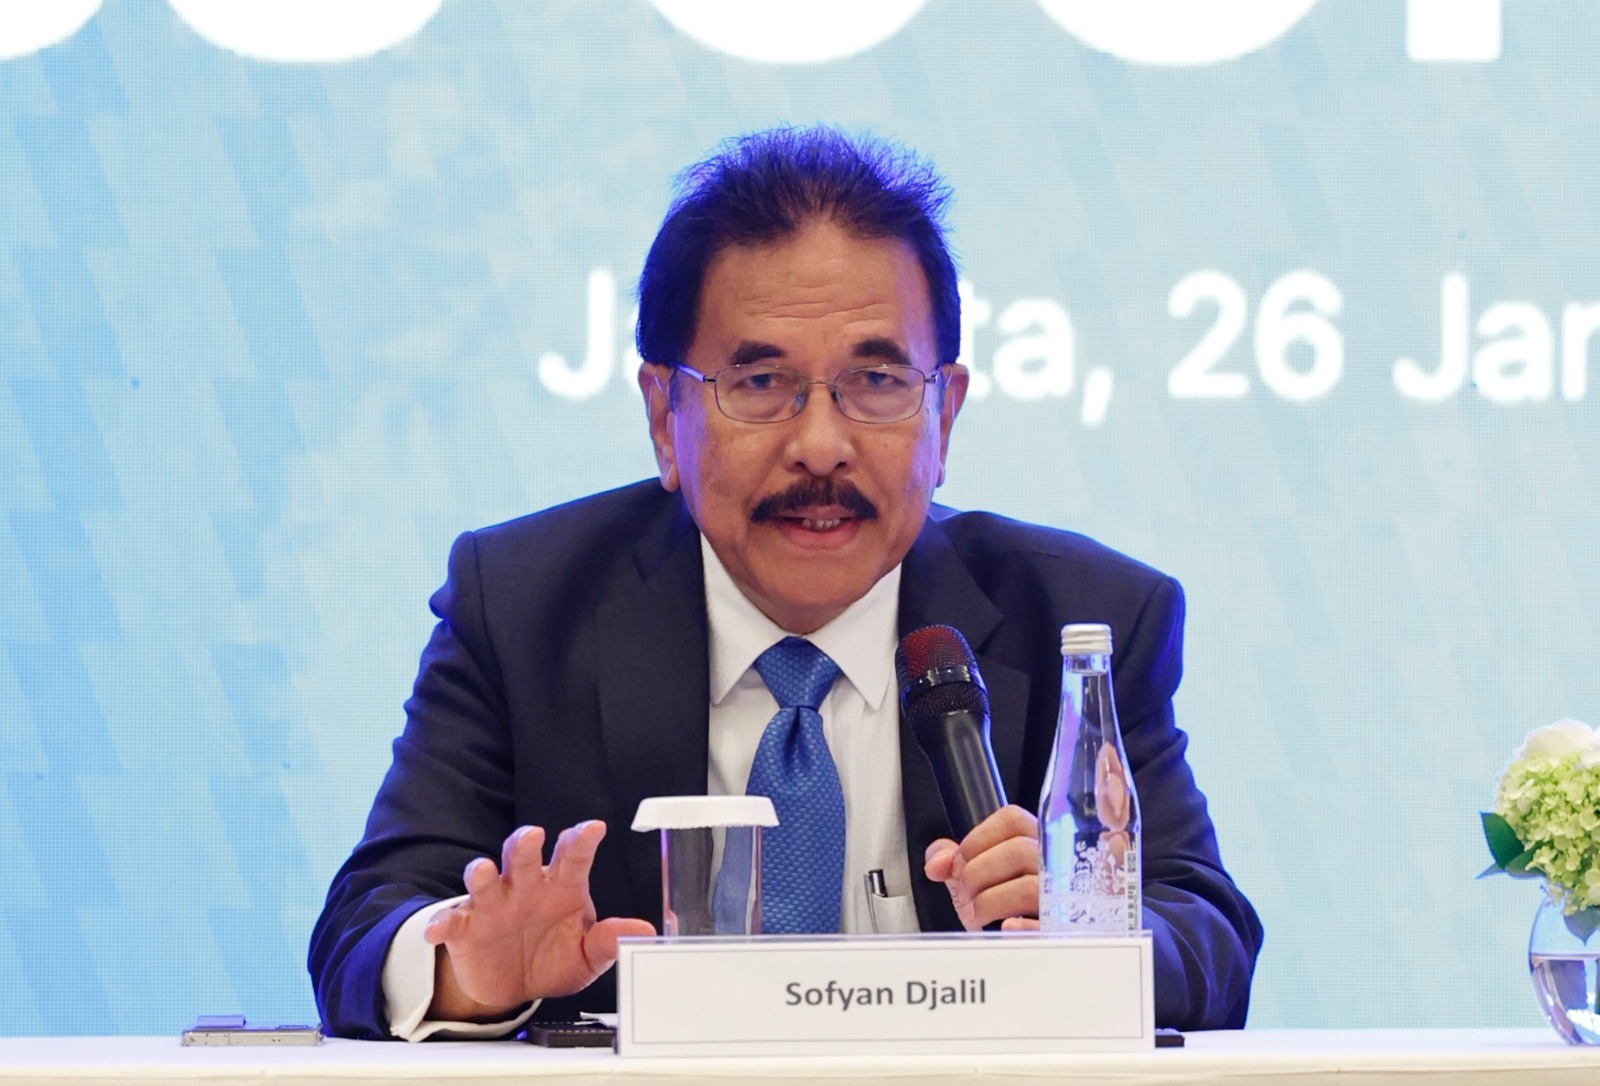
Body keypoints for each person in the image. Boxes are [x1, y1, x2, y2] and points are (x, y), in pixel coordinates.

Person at [308, 126, 1263, 1040]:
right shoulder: (522, 608)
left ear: (945, 416)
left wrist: (1088, 936)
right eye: (760, 384)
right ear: (663, 416)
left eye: (877, 382)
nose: (821, 445)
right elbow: (365, 925)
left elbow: (1208, 935)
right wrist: (465, 971)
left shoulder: (1082, 621)